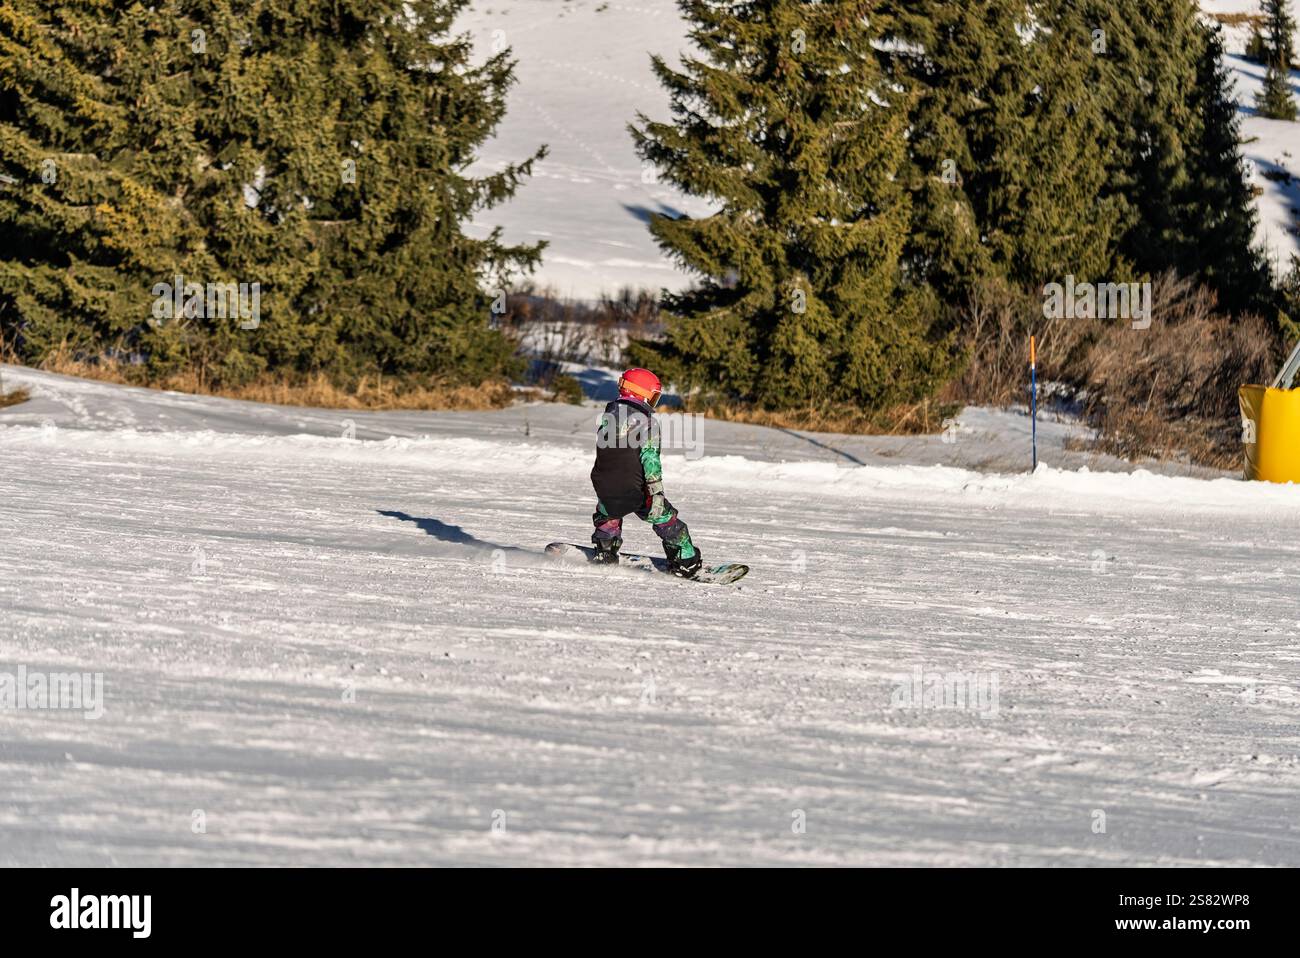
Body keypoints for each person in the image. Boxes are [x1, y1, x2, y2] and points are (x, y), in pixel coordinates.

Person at [589, 367, 702, 577]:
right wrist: (656, 491)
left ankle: (605, 551)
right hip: (638, 487)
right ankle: (685, 560)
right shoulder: (647, 422)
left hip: (604, 483)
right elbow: (650, 459)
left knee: (608, 513)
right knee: (665, 519)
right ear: (643, 393)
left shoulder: (608, 416)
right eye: (654, 396)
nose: (654, 401)